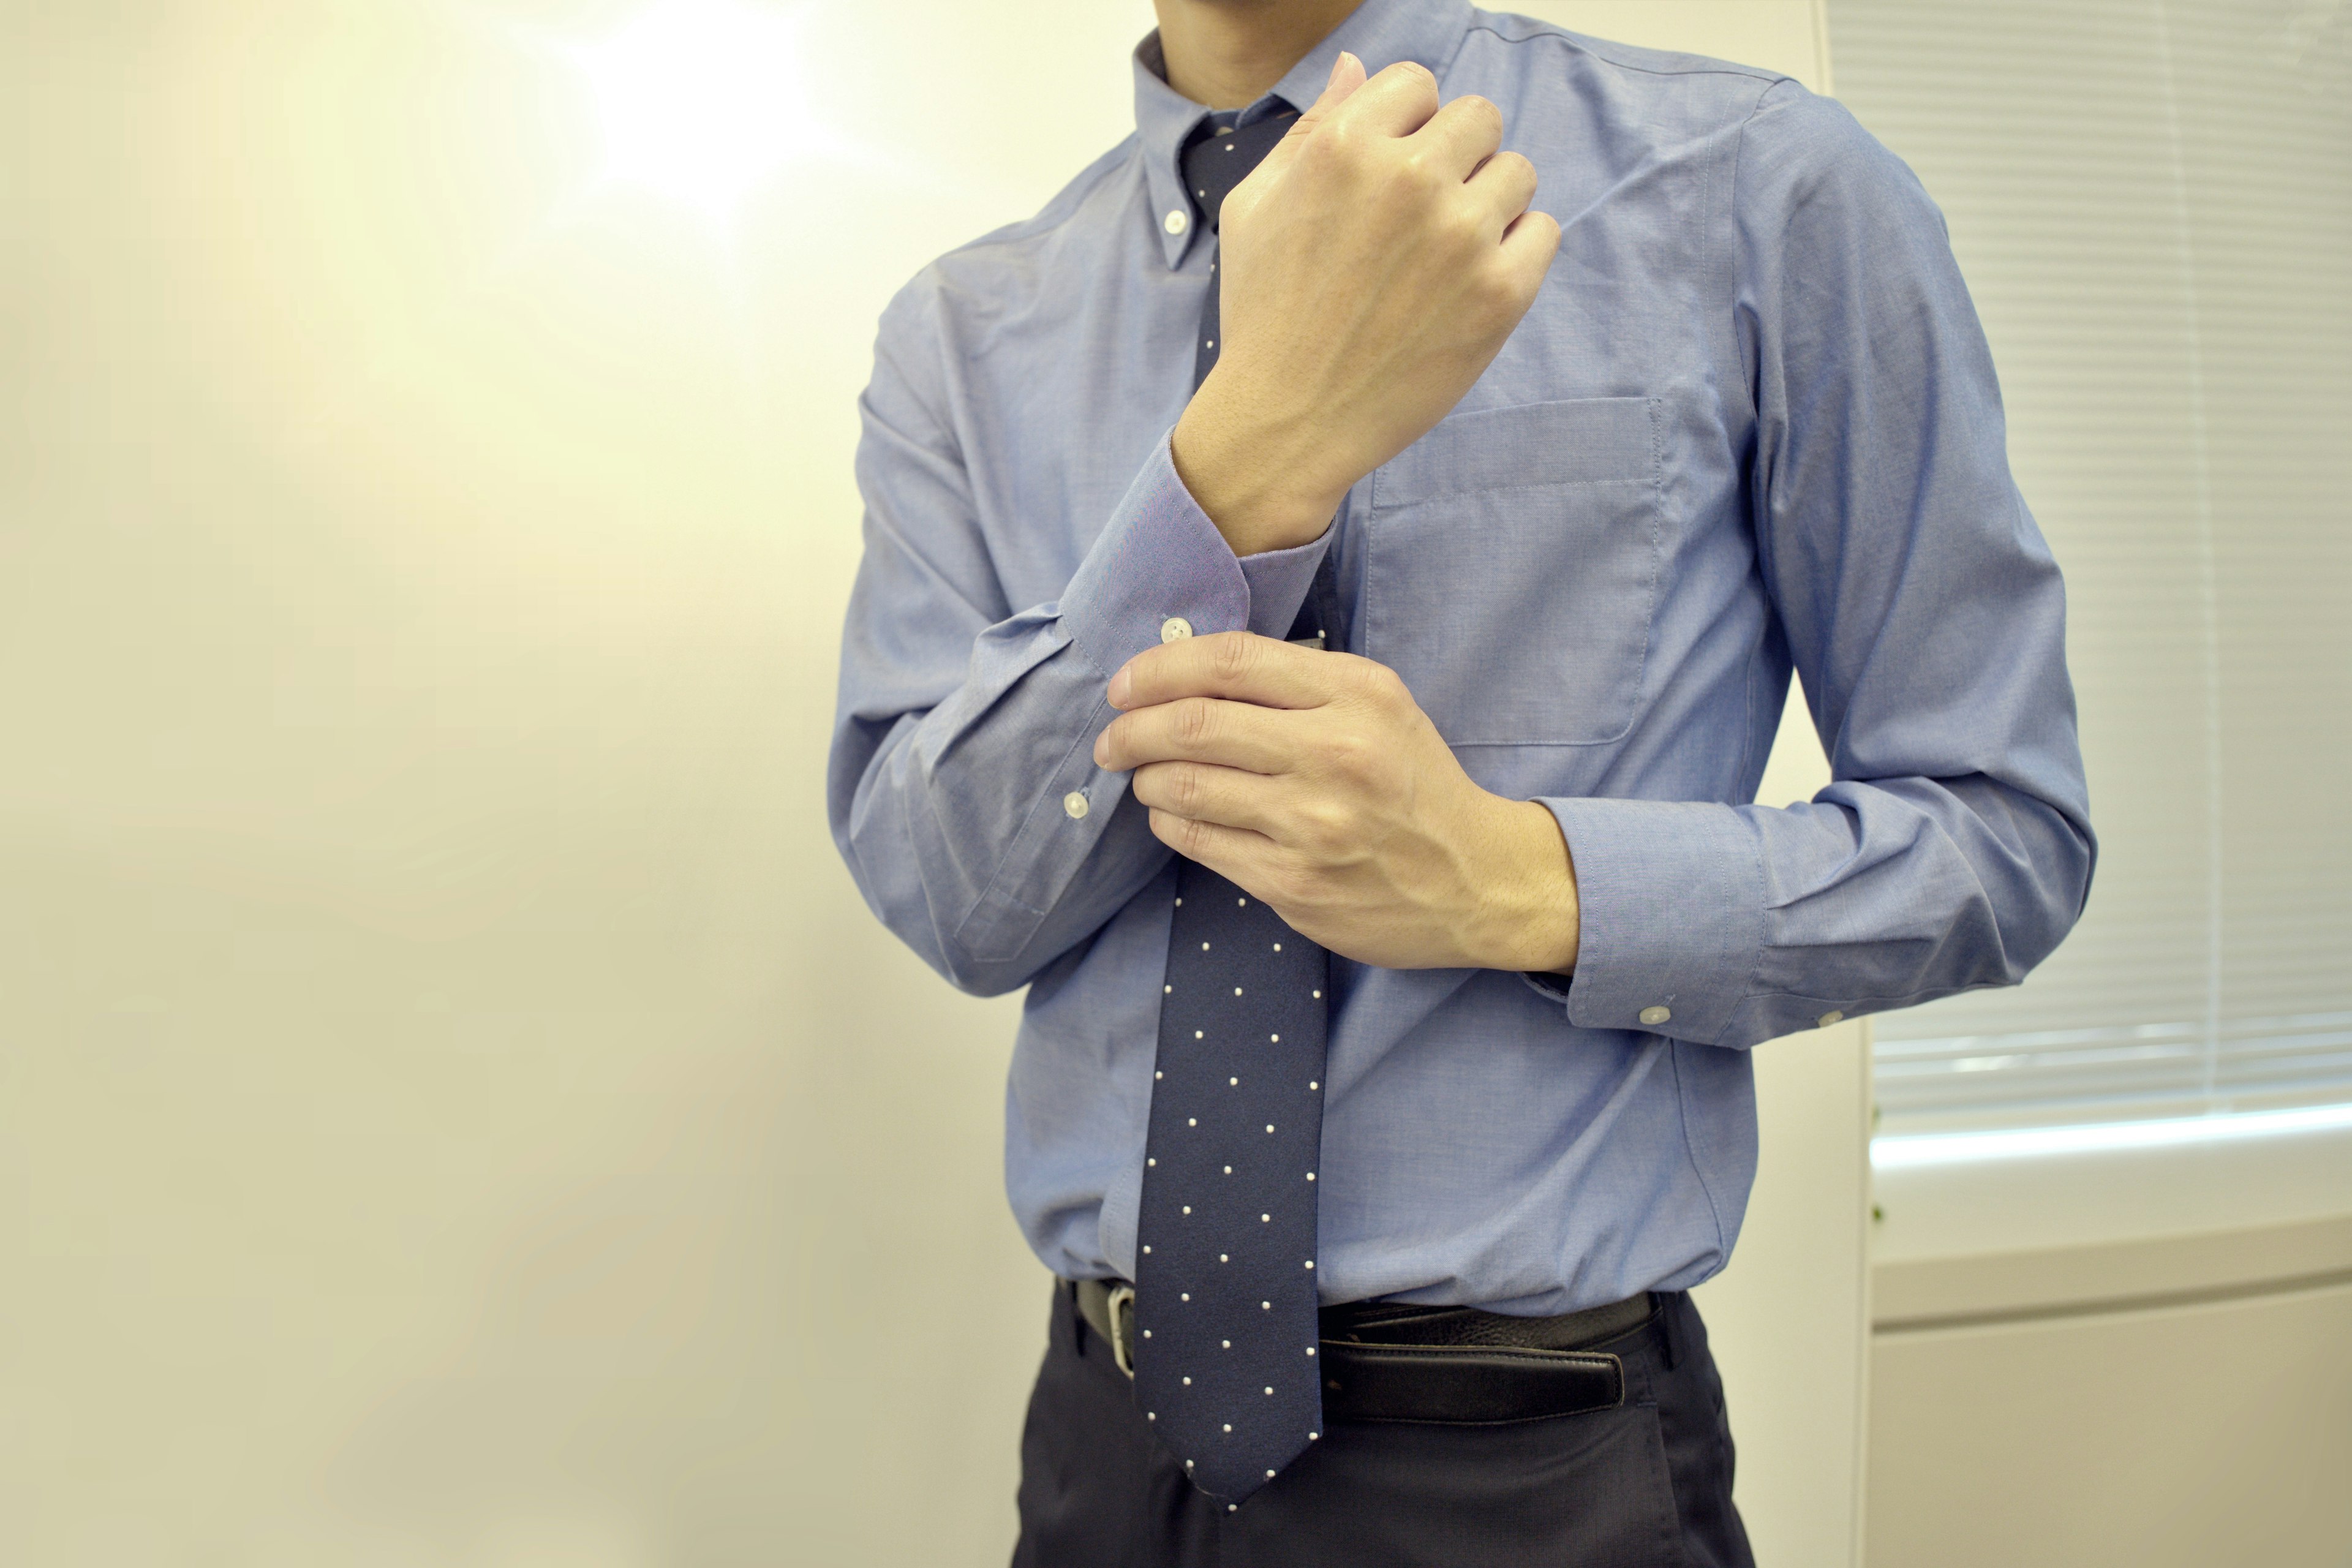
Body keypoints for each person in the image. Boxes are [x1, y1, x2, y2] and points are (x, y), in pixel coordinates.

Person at [828, 0, 2094, 1561]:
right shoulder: (962, 336)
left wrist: (1515, 881)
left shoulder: (1762, 189)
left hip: (1533, 1478)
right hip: (1103, 1458)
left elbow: (2005, 831)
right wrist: (1243, 461)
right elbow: (950, 899)